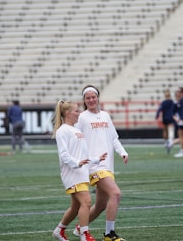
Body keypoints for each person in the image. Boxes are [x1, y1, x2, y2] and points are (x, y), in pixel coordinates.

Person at [75, 85, 128, 241]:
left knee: (100, 205)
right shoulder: (82, 117)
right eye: (88, 98)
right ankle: (109, 234)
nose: (91, 100)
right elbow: (75, 139)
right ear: (84, 100)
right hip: (94, 166)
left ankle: (80, 228)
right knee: (116, 194)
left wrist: (123, 152)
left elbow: (113, 138)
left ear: (97, 98)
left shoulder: (105, 115)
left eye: (93, 97)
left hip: (108, 166)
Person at [51, 100, 107, 241]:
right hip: (72, 173)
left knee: (76, 206)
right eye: (76, 111)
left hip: (81, 172)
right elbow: (64, 155)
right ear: (68, 113)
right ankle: (84, 235)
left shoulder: (76, 130)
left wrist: (96, 159)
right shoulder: (62, 131)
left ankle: (59, 230)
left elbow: (83, 154)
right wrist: (77, 163)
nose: (79, 113)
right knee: (87, 202)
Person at [155, 89, 176, 153]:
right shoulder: (172, 102)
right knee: (171, 130)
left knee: (165, 130)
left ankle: (166, 142)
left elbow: (159, 109)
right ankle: (170, 141)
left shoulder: (163, 102)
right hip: (171, 117)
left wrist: (157, 115)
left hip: (165, 117)